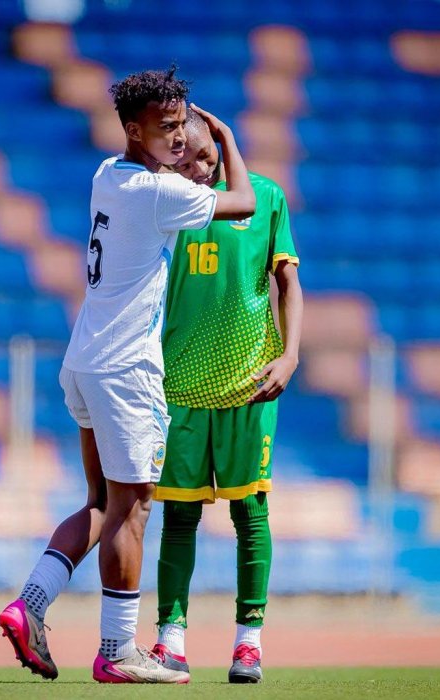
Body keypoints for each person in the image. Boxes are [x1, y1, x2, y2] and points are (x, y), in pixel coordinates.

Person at [0, 68, 255, 684]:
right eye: (167, 128)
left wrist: (188, 155)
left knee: (100, 503)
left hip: (85, 358)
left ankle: (28, 604)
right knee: (133, 509)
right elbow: (244, 202)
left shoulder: (108, 175)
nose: (179, 139)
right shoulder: (159, 194)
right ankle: (117, 652)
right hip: (126, 369)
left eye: (182, 125)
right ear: (135, 131)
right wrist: (226, 139)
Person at [151, 108, 304, 683]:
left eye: (205, 155)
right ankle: (170, 638)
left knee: (251, 513)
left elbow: (288, 283)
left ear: (220, 146)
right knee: (179, 516)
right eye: (182, 160)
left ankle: (248, 644)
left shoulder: (265, 197)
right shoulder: (163, 204)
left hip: (249, 385)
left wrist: (290, 354)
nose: (195, 168)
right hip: (178, 386)